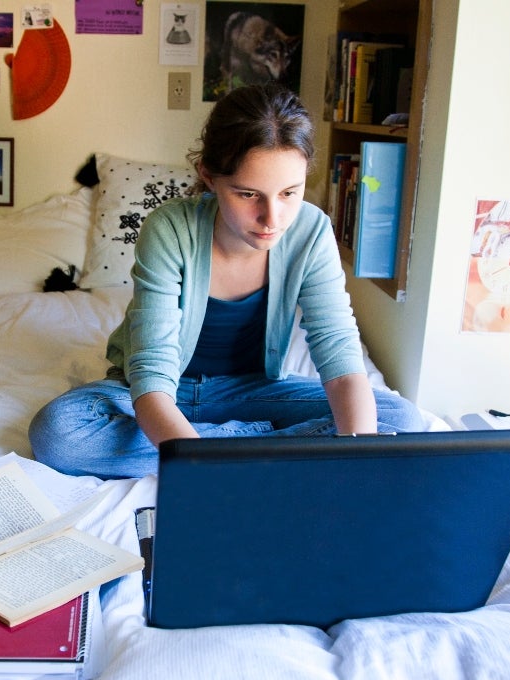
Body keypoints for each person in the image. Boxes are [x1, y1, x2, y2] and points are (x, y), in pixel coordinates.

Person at [29, 83, 425, 479]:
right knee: (59, 434)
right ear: (209, 175)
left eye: (290, 192)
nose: (272, 218)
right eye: (248, 194)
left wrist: (360, 459)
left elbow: (340, 360)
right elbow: (151, 379)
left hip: (253, 391)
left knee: (399, 419)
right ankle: (258, 447)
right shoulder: (170, 228)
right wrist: (203, 469)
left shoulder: (312, 231)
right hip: (165, 393)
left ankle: (225, 445)